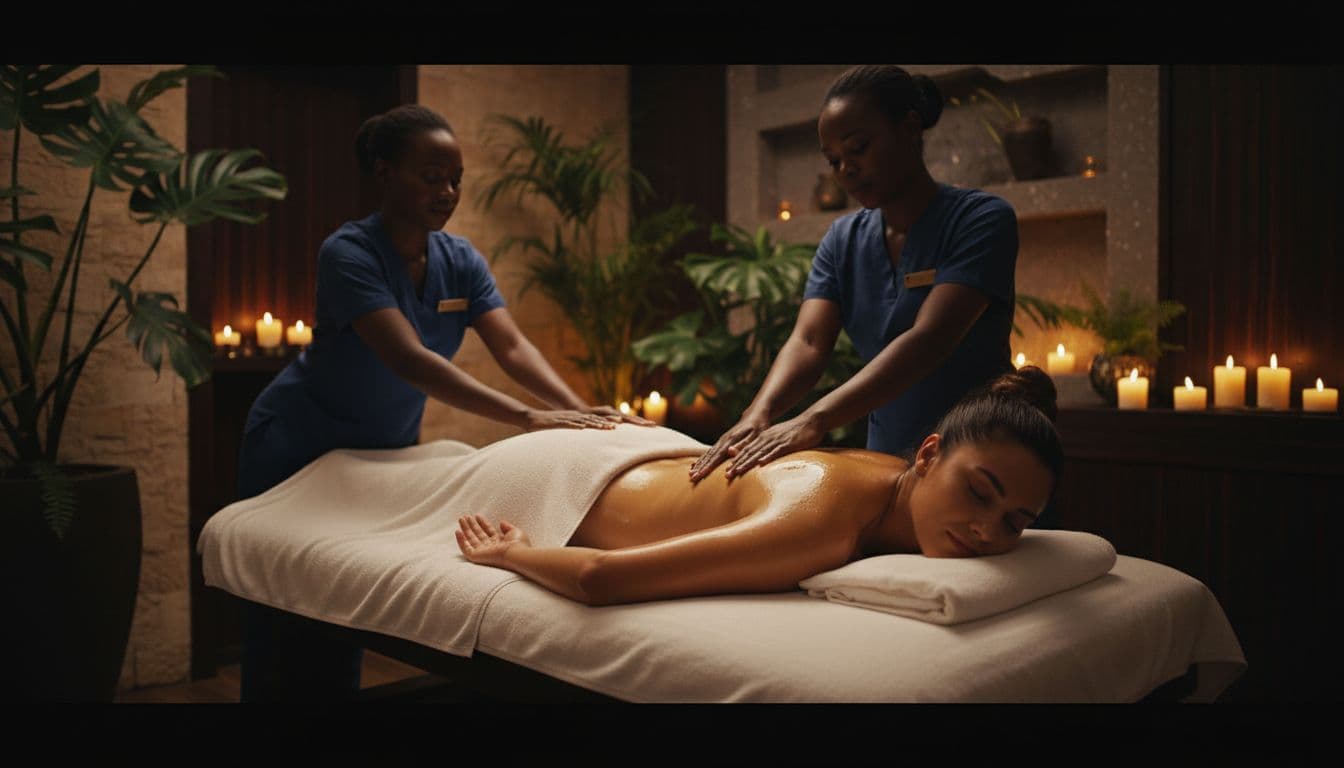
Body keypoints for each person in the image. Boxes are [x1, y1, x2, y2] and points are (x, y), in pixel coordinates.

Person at [236, 104, 649, 701]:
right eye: (431, 176)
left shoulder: (460, 260)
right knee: (275, 604)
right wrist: (529, 417)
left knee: (340, 598)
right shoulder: (347, 253)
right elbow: (408, 357)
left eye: (455, 178)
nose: (448, 191)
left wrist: (587, 412)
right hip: (294, 438)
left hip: (379, 448)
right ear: (384, 173)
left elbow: (511, 346)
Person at [457, 367, 1060, 606]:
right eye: (980, 493)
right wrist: (511, 552)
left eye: (1015, 521)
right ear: (928, 453)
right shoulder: (819, 521)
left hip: (659, 456)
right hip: (578, 474)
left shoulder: (893, 477)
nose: (987, 530)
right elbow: (599, 579)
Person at [689, 64, 1019, 484]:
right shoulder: (842, 239)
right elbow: (809, 341)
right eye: (834, 160)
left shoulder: (981, 220)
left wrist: (814, 419)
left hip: (982, 459)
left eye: (858, 148)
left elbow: (929, 339)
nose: (845, 169)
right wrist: (759, 414)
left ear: (910, 127)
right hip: (887, 466)